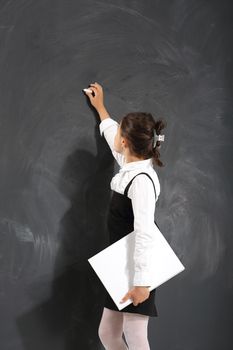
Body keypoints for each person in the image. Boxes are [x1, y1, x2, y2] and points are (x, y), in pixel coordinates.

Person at [84, 82, 166, 350]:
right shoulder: (130, 165)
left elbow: (144, 232)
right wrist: (102, 109)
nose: (115, 132)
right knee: (108, 332)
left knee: (135, 335)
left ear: (126, 142)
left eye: (119, 130)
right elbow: (112, 139)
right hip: (120, 264)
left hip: (138, 269)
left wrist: (142, 283)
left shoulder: (141, 180)